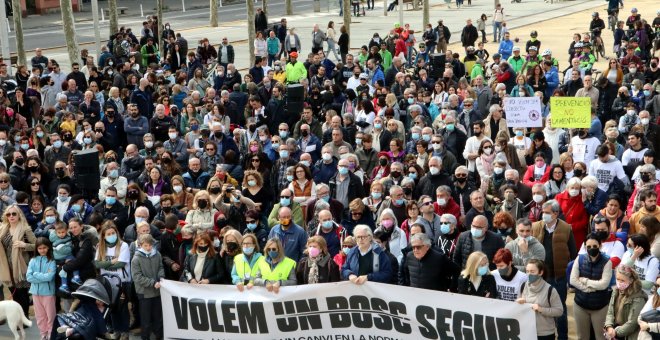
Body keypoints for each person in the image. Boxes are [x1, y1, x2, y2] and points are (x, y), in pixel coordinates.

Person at [531, 199, 576, 340]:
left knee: (560, 309)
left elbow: (573, 253)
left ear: (556, 213)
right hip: (540, 276)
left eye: (547, 213)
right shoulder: (535, 226)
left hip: (559, 277)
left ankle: (562, 337)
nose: (544, 215)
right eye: (543, 212)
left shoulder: (566, 228)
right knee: (538, 307)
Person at [570, 233, 614, 340]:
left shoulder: (607, 262)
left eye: (595, 246)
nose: (592, 249)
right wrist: (588, 289)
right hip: (580, 304)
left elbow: (604, 284)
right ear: (585, 247)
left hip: (600, 306)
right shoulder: (579, 259)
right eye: (588, 247)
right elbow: (573, 280)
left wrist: (585, 281)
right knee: (582, 337)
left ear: (600, 246)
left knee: (601, 337)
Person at [94, 222, 131, 339]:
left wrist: (104, 264)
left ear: (116, 233)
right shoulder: (101, 246)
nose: (111, 235)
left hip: (122, 281)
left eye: (113, 233)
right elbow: (96, 263)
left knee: (122, 308)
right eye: (108, 234)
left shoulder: (123, 245)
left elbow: (120, 263)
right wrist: (110, 262)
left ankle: (125, 332)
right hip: (107, 282)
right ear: (104, 236)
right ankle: (116, 330)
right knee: (112, 307)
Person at [0, 204, 37, 316]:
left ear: (19, 215)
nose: (11, 216)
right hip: (7, 265)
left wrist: (24, 245)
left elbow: (37, 245)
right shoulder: (3, 229)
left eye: (14, 213)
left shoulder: (25, 229)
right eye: (8, 214)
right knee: (13, 293)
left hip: (21, 266)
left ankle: (24, 317)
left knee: (22, 294)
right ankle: (17, 317)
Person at [517, 259, 564, 340]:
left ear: (540, 273)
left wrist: (541, 309)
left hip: (545, 333)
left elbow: (559, 311)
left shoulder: (550, 290)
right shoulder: (523, 286)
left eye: (532, 272)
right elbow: (519, 309)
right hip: (527, 331)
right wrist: (518, 303)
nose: (529, 274)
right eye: (527, 271)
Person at [131, 234, 164, 340]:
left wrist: (161, 277)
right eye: (146, 245)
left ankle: (159, 337)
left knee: (158, 318)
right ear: (140, 245)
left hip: (157, 291)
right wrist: (152, 283)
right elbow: (137, 277)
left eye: (150, 245)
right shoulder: (136, 259)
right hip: (144, 293)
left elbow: (160, 267)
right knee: (145, 320)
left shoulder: (157, 254)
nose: (149, 248)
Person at [605, 265, 647, 340]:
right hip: (614, 330)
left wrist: (616, 332)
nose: (619, 282)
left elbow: (633, 323)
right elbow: (610, 312)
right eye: (618, 279)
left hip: (628, 335)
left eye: (622, 280)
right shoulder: (616, 291)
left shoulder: (638, 298)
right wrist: (609, 326)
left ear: (631, 280)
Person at [26, 237, 56, 340]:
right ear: (36, 249)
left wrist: (35, 274)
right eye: (40, 248)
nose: (42, 250)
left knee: (50, 316)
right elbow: (29, 277)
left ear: (48, 248)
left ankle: (51, 335)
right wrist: (42, 276)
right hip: (35, 293)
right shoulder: (33, 260)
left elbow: (50, 277)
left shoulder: (51, 261)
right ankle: (43, 334)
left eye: (44, 247)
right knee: (40, 316)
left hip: (48, 293)